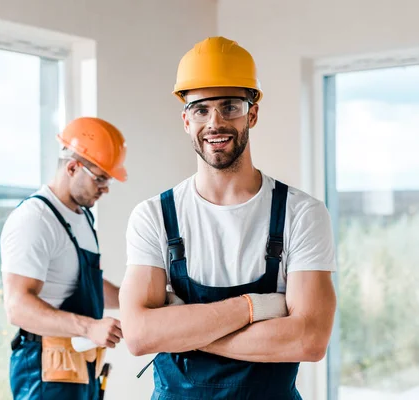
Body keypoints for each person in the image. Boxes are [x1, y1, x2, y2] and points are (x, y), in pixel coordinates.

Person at [120, 36, 337, 399]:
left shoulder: (302, 214)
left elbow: (310, 340)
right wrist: (254, 307)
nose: (215, 122)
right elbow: (140, 335)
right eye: (201, 109)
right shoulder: (154, 216)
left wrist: (182, 331)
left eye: (230, 106)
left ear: (252, 113)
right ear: (186, 120)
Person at [1, 117, 127, 400]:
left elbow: (81, 282)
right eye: (101, 178)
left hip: (79, 368)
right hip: (45, 372)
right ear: (72, 167)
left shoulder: (82, 218)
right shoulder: (35, 219)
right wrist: (90, 327)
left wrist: (133, 300)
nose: (105, 188)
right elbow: (17, 307)